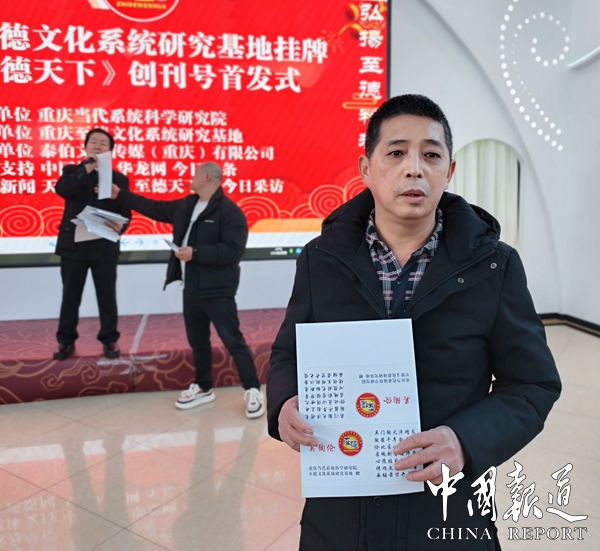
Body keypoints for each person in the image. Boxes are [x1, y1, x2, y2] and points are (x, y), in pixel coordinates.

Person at [267, 95, 561, 550]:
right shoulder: (320, 259)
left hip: (447, 513)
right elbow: (288, 353)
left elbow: (532, 385)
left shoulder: (494, 265)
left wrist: (464, 441)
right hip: (341, 514)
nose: (414, 169)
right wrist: (284, 403)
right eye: (396, 152)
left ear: (449, 170)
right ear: (366, 168)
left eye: (431, 155)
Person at [110, 162, 265, 418]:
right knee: (198, 341)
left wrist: (196, 253)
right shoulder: (187, 205)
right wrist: (121, 195)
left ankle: (253, 389)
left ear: (207, 177)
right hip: (191, 287)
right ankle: (203, 387)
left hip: (218, 290)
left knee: (233, 341)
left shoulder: (230, 212)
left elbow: (233, 250)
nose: (190, 179)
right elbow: (154, 208)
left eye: (194, 174)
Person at [53, 128, 130, 360]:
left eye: (103, 143)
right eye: (93, 142)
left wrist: (115, 226)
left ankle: (109, 339)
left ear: (110, 150)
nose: (97, 146)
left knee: (107, 296)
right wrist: (86, 169)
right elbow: (63, 190)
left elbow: (125, 213)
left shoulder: (119, 179)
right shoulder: (72, 172)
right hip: (74, 248)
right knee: (70, 296)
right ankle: (65, 340)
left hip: (104, 247)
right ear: (85, 147)